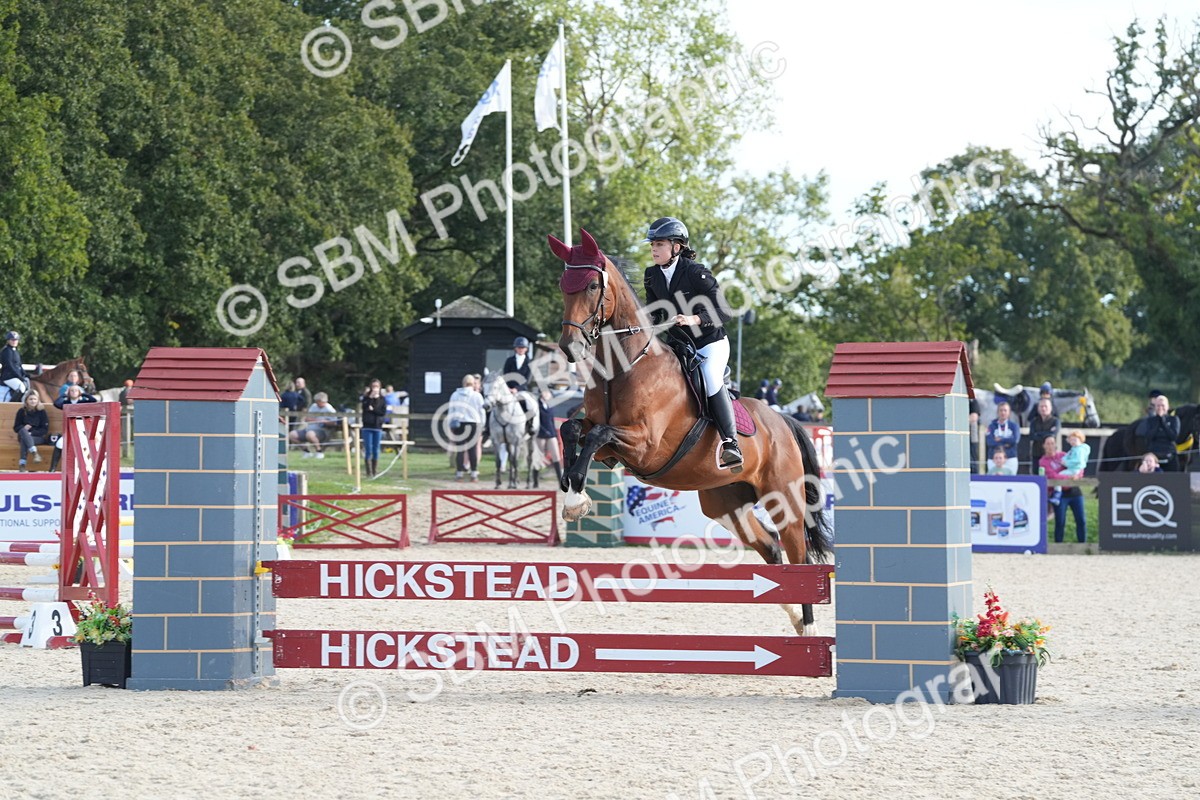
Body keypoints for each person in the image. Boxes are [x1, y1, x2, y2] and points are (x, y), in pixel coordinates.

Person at [642, 216, 742, 470]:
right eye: (652, 244)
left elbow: (725, 311)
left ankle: (731, 443)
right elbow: (654, 313)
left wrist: (694, 318)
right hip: (679, 346)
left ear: (677, 247)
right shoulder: (651, 274)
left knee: (709, 376)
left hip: (710, 343)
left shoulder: (696, 273)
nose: (654, 249)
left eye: (660, 244)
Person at [1040, 437, 1086, 543]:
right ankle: (1058, 545)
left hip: (1074, 491)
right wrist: (1069, 478)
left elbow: (1078, 465)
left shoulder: (1063, 455)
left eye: (1052, 443)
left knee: (1081, 520)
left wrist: (1077, 475)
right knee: (1060, 521)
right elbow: (1052, 475)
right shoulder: (1043, 461)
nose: (1050, 446)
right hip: (1059, 494)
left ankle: (1083, 544)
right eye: (1048, 443)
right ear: (1044, 446)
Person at [448, 374, 485, 481]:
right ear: (473, 383)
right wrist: (482, 425)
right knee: (472, 449)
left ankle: (459, 473)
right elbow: (481, 412)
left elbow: (451, 411)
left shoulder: (455, 395)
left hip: (459, 424)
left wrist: (450, 425)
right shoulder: (477, 396)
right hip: (473, 424)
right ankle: (474, 473)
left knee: (460, 450)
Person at [51, 385, 97, 471]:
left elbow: (94, 400)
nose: (74, 392)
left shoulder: (83, 402)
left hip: (82, 430)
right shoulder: (66, 403)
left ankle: (83, 469)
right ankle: (52, 469)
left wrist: (83, 394)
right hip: (69, 431)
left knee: (81, 446)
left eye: (76, 390)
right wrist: (64, 395)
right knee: (59, 444)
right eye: (72, 390)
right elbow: (56, 403)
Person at [1135, 394, 1180, 471]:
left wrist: (1163, 422)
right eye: (1158, 405)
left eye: (1163, 405)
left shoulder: (1174, 419)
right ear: (1155, 407)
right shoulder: (1150, 420)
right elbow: (1148, 437)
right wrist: (1158, 422)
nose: (1160, 408)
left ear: (1168, 407)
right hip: (1154, 456)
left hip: (1169, 454)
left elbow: (1173, 436)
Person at [288, 392, 337, 458]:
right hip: (308, 428)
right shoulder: (314, 406)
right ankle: (306, 451)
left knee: (310, 434)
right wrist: (317, 420)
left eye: (318, 401)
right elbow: (307, 418)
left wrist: (324, 422)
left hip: (321, 431)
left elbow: (334, 422)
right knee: (292, 435)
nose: (316, 403)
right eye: (316, 401)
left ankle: (319, 451)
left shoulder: (329, 409)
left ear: (323, 401)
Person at [1049, 429, 1091, 505]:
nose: (1073, 442)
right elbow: (1067, 456)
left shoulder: (1079, 450)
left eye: (1074, 440)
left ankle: (1057, 495)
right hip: (1072, 468)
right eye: (1071, 440)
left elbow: (1078, 461)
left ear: (1080, 439)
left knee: (1059, 477)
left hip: (1074, 469)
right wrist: (1063, 460)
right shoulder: (1074, 449)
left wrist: (1066, 463)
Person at [13, 392, 48, 472]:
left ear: (38, 400)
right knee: (23, 431)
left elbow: (44, 429)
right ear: (26, 400)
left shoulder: (42, 412)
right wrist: (24, 428)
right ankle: (35, 453)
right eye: (30, 399)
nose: (33, 401)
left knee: (24, 440)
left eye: (35, 399)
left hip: (38, 437)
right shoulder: (21, 411)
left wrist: (31, 433)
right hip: (23, 434)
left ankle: (22, 464)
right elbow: (16, 427)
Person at [533, 389, 563, 486]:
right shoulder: (537, 405)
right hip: (540, 433)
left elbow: (551, 420)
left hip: (551, 433)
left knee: (556, 456)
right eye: (545, 392)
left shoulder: (550, 405)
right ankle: (535, 481)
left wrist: (554, 432)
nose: (547, 395)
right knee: (538, 457)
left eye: (548, 393)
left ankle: (560, 481)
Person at [360, 379, 387, 478]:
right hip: (367, 426)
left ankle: (375, 470)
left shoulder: (382, 399)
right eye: (373, 386)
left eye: (377, 386)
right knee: (368, 448)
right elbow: (365, 408)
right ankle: (368, 471)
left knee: (376, 449)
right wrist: (370, 399)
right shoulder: (366, 398)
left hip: (377, 426)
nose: (375, 388)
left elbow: (382, 412)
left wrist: (373, 409)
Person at [1025, 398, 1059, 473]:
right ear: (1038, 408)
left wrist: (1039, 434)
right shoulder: (1034, 421)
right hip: (1036, 454)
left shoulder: (1055, 421)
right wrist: (1046, 434)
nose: (1043, 408)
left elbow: (1053, 434)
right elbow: (1031, 436)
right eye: (1041, 406)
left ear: (1050, 408)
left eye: (1046, 406)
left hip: (1050, 455)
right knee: (1036, 476)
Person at [985, 401, 1021, 472]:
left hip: (1010, 457)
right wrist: (1007, 442)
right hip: (994, 459)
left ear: (1009, 412)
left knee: (1011, 481)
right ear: (997, 412)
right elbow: (990, 442)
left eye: (1005, 410)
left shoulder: (1014, 426)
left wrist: (1000, 439)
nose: (1003, 412)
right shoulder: (992, 426)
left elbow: (1015, 440)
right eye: (1001, 410)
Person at [0, 331, 35, 403]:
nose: (14, 341)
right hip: (8, 377)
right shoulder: (6, 351)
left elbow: (19, 365)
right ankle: (11, 404)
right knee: (21, 388)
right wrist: (19, 376)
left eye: (16, 340)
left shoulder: (15, 351)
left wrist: (25, 374)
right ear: (8, 340)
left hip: (15, 376)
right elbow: (10, 365)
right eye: (12, 340)